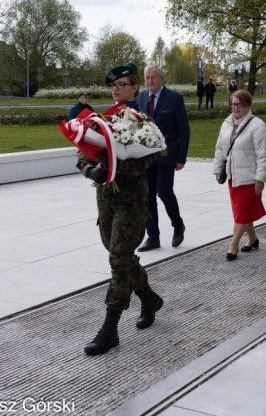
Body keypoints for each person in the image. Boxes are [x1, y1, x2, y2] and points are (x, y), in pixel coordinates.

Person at [77, 62, 163, 356]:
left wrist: (114, 162)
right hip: (105, 199)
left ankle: (110, 328)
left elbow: (146, 160)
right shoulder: (101, 118)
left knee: (118, 259)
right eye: (112, 86)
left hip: (131, 201)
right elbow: (82, 152)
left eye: (121, 85)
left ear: (135, 87)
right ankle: (149, 298)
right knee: (120, 255)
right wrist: (91, 170)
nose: (116, 90)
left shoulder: (142, 121)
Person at [136, 65, 191, 252]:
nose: (150, 81)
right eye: (147, 78)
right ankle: (153, 236)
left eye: (153, 77)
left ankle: (178, 225)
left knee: (164, 192)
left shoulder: (175, 98)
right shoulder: (141, 98)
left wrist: (181, 157)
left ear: (161, 78)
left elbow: (184, 130)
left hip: (167, 156)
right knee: (148, 196)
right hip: (146, 157)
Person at [213, 90, 266, 261]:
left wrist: (260, 178)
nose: (235, 107)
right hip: (233, 176)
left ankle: (233, 245)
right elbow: (219, 148)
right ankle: (252, 238)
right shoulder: (227, 123)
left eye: (239, 104)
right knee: (242, 213)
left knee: (241, 213)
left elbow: (263, 155)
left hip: (249, 178)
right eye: (233, 103)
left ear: (247, 105)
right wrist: (218, 168)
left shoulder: (257, 125)